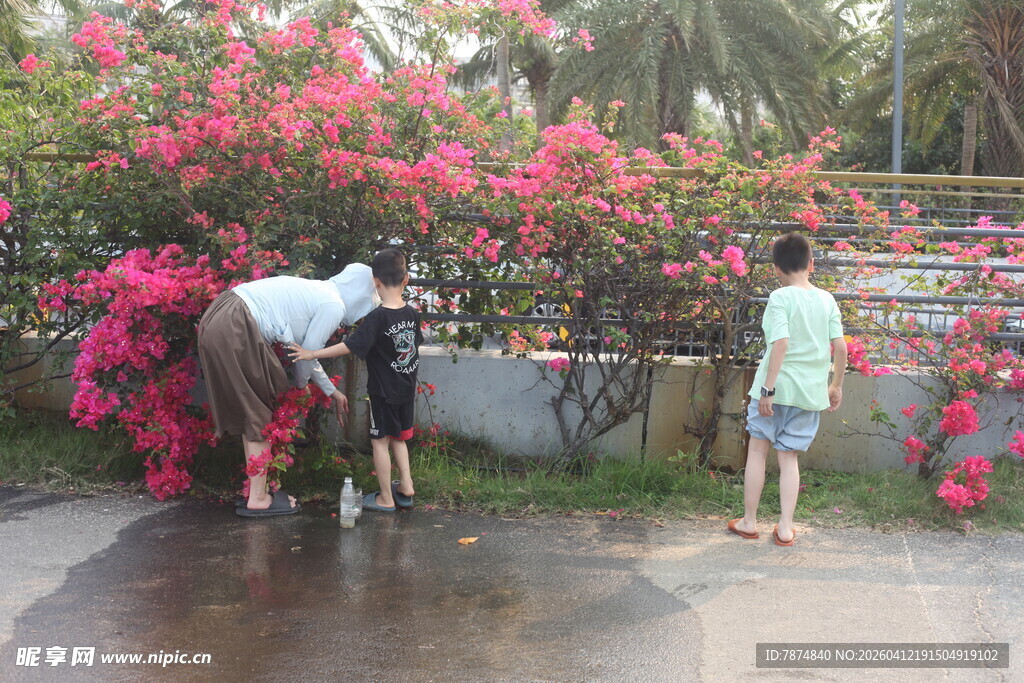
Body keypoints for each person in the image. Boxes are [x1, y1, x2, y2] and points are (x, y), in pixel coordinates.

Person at [198, 264, 378, 518]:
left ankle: (256, 493)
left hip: (221, 313)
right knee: (258, 413)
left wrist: (331, 391)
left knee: (253, 410)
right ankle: (259, 498)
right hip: (236, 322)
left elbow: (305, 352)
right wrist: (301, 387)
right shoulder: (333, 305)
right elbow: (308, 356)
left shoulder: (319, 290)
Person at [728, 233, 847, 546]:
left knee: (757, 449)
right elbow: (840, 347)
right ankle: (784, 528)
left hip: (774, 390)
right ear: (811, 264)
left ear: (776, 269)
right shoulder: (827, 300)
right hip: (809, 394)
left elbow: (780, 344)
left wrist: (767, 390)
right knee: (788, 458)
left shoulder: (780, 298)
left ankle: (749, 522)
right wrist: (835, 385)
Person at [287, 248, 422, 513]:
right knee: (399, 438)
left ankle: (385, 497)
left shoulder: (377, 317)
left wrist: (312, 352)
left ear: (375, 281)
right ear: (406, 279)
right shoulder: (412, 314)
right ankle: (406, 486)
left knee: (380, 441)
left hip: (383, 392)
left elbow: (349, 346)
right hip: (406, 389)